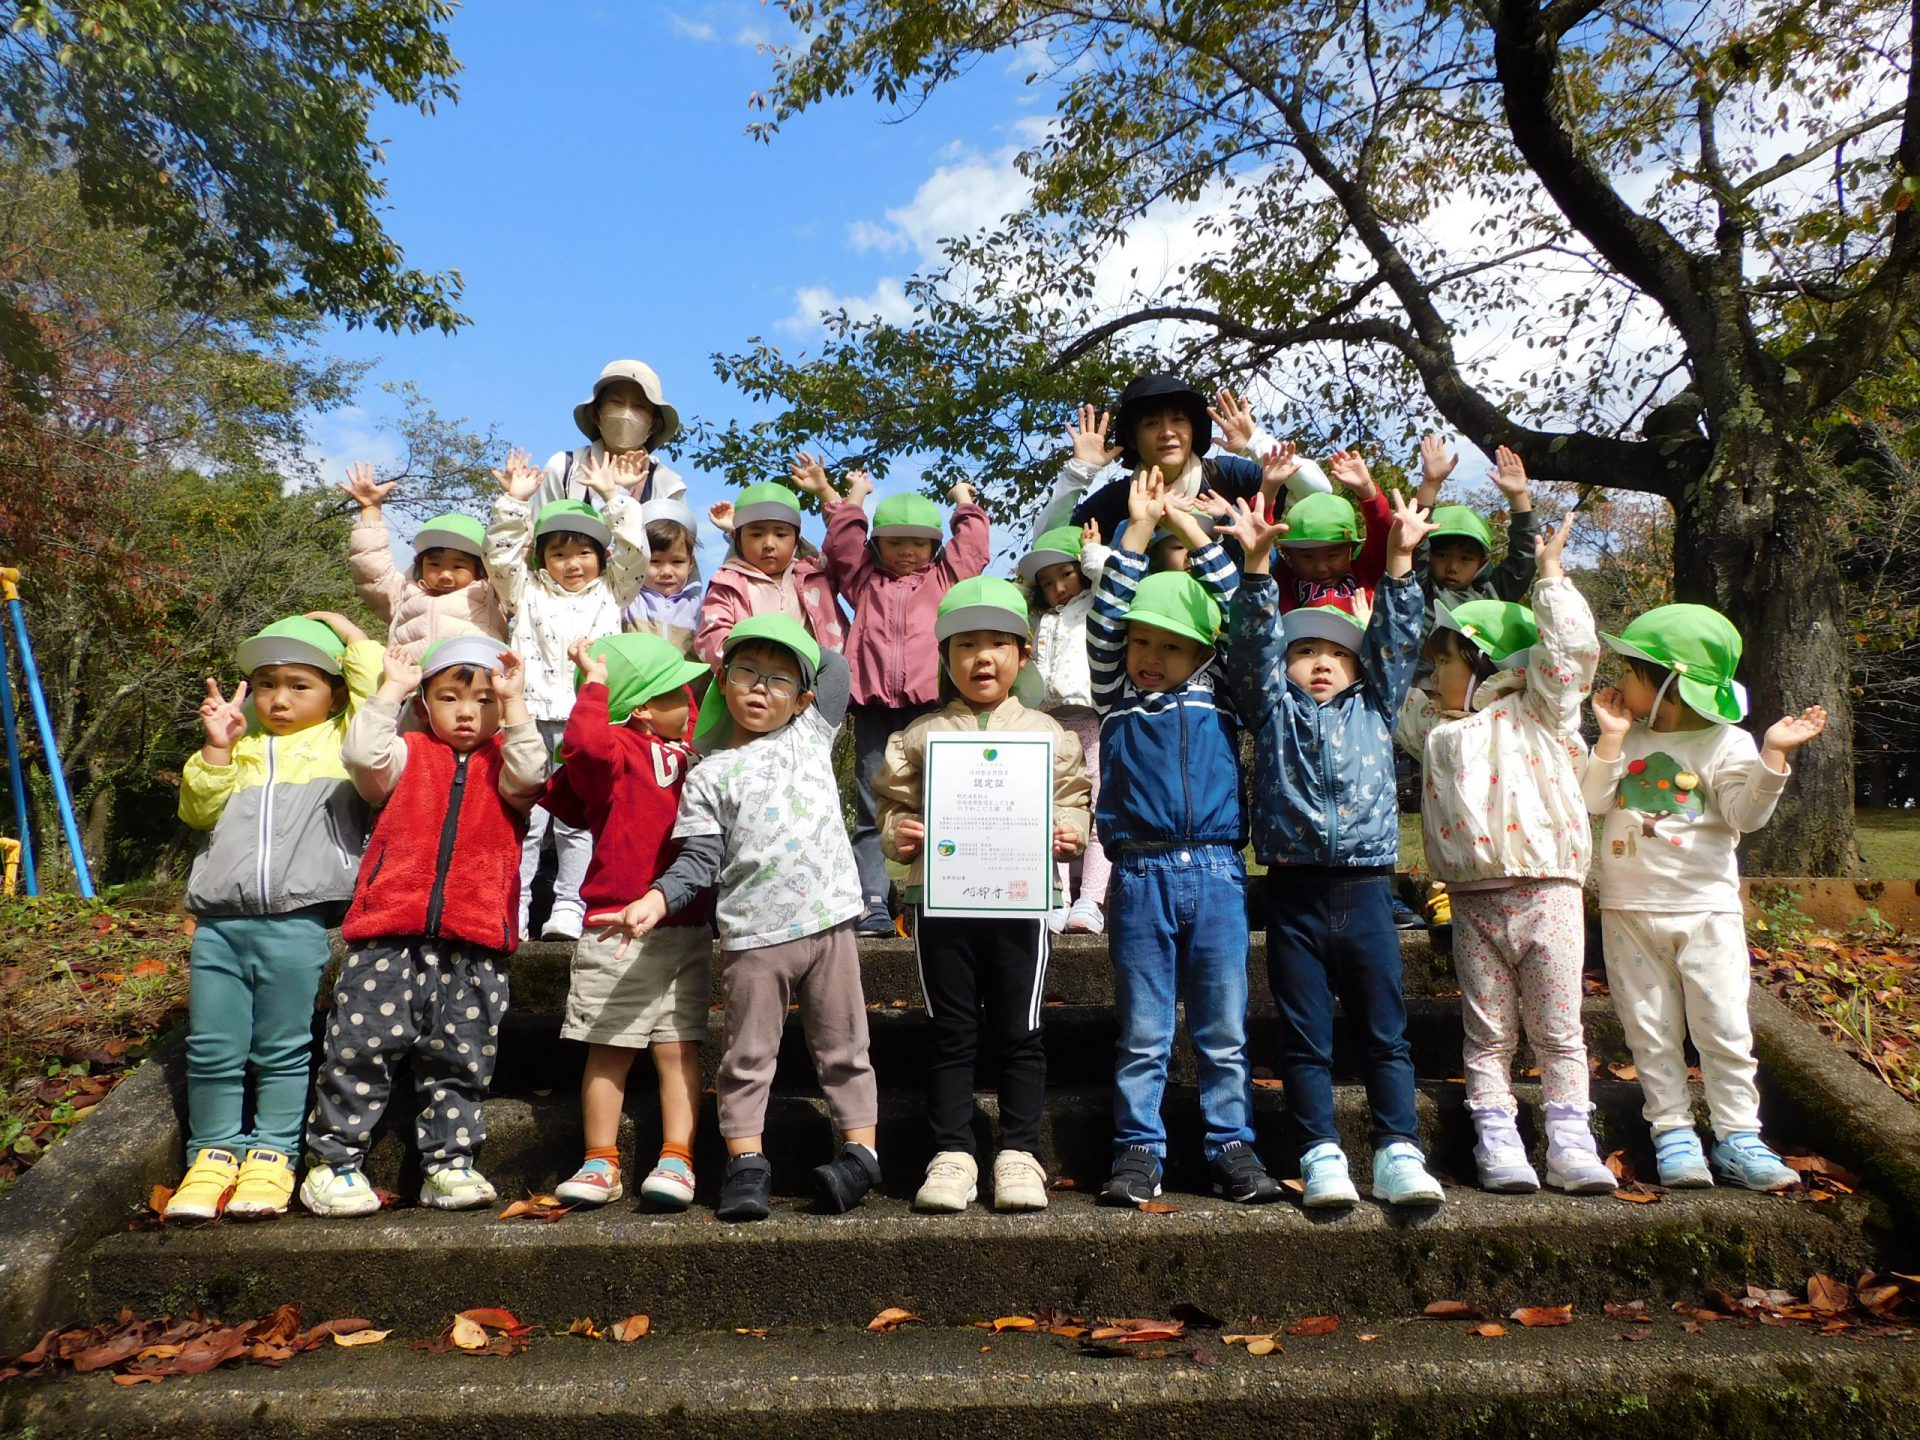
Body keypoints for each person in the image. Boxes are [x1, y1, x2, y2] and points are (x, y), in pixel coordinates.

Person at [604, 616, 879, 1222]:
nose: (761, 687)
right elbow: (698, 861)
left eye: (780, 679)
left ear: (802, 698)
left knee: (845, 1047)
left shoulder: (812, 732)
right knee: (747, 1057)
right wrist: (657, 899)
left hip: (830, 924)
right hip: (753, 936)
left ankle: (861, 1155)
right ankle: (746, 1164)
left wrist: (780, 628)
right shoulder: (708, 773)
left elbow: (836, 665)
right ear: (722, 682)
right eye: (747, 673)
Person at [1223, 485, 1444, 1209]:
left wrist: (1400, 559)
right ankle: (1320, 1152)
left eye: (1337, 651)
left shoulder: (1376, 703)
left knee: (1384, 1031)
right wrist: (1258, 570)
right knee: (1304, 1035)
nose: (1320, 661)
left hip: (1367, 889)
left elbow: (1400, 636)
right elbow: (1251, 646)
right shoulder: (1271, 709)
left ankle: (1399, 1150)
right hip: (1293, 892)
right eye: (1304, 650)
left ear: (1361, 662)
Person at [1394, 515, 1616, 1194]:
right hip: (1473, 899)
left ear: (1488, 663)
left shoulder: (1542, 712)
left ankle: (1570, 1141)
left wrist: (1550, 578)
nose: (1434, 672)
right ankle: (1497, 1136)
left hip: (1548, 891)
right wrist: (1395, 571)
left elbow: (1570, 649)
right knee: (1488, 1032)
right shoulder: (1434, 727)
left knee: (1559, 1029)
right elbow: (1383, 681)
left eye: (1447, 661)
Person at [299, 637, 546, 1216]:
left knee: (461, 1059)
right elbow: (362, 757)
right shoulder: (407, 755)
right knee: (358, 1050)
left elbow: (533, 772)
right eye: (449, 698)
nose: (467, 712)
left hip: (475, 940)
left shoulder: (505, 764)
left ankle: (449, 1165)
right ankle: (333, 1164)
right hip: (388, 933)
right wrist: (391, 690)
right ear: (425, 704)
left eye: (484, 700)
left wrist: (515, 704)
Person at [1584, 604, 1828, 1190]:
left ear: (1670, 682)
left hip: (1706, 910)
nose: (1619, 681)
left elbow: (1746, 814)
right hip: (1629, 908)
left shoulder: (1728, 742)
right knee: (1650, 1028)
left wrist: (1773, 756)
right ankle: (1672, 1133)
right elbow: (1592, 801)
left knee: (1723, 1026)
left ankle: (1739, 1136)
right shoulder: (1626, 736)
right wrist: (1611, 739)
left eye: (1632, 671)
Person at [1086, 475, 1281, 1206]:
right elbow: (1106, 617)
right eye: (1141, 641)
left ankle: (1232, 1145)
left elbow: (1242, 617)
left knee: (1222, 1029)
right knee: (1143, 1031)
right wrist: (1137, 532)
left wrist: (1197, 535)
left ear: (1201, 651)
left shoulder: (1221, 689)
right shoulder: (1118, 696)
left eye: (1170, 645)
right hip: (1140, 875)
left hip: (1220, 874)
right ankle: (1138, 1149)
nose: (1148, 655)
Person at [873, 578, 1090, 1213]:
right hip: (941, 902)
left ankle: (1020, 1152)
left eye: (998, 643)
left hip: (1021, 904)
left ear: (1024, 655)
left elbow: (1071, 797)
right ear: (945, 657)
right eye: (966, 645)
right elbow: (891, 805)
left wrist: (1068, 832)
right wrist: (899, 834)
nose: (982, 658)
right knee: (950, 1029)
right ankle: (952, 1153)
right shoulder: (920, 735)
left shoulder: (1050, 734)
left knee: (1021, 1028)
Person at [166, 613, 382, 1222]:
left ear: (333, 695)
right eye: (266, 684)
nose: (279, 699)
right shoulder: (237, 747)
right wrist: (217, 746)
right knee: (212, 1047)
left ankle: (273, 1154)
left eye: (298, 685)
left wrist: (347, 631)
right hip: (219, 924)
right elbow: (196, 811)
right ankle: (211, 1156)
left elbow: (378, 687)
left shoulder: (343, 741)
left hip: (299, 920)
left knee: (283, 1047)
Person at [545, 633, 714, 1211]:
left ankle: (678, 1158)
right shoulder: (614, 752)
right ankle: (600, 1161)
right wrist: (595, 686)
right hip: (617, 925)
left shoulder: (689, 754)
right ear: (641, 707)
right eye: (677, 692)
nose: (690, 700)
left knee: (679, 1048)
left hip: (686, 925)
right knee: (609, 1047)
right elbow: (584, 747)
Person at [792, 454, 990, 937]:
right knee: (872, 802)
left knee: (941, 802)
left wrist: (964, 503)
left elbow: (972, 549)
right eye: (895, 542)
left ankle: (938, 892)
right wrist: (852, 497)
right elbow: (843, 545)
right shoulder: (865, 581)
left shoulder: (944, 580)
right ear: (877, 546)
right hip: (875, 708)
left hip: (932, 708)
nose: (906, 551)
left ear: (934, 547)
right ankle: (873, 899)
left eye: (918, 543)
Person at [487, 448, 648, 942]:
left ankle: (570, 908)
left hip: (587, 722)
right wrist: (514, 505)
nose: (571, 563)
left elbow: (636, 553)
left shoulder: (613, 591)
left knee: (578, 823)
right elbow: (500, 559)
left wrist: (613, 496)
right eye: (558, 553)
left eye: (583, 552)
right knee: (526, 820)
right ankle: (511, 911)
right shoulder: (525, 592)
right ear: (542, 558)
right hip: (530, 718)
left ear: (601, 557)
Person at [1041, 389, 1329, 557]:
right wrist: (1078, 473)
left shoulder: (1226, 474)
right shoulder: (1119, 499)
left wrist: (1256, 443)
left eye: (1178, 420)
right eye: (1152, 424)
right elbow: (1048, 546)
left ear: (1193, 431)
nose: (1167, 432)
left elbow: (1318, 495)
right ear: (1133, 440)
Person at [1018, 520, 1112, 933]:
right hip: (1049, 723)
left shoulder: (1095, 604)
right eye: (1046, 581)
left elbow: (1114, 580)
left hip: (1092, 719)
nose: (1058, 588)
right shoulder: (1039, 618)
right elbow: (1017, 601)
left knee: (1099, 808)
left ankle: (1091, 898)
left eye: (1066, 574)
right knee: (1049, 808)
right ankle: (1057, 896)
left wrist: (1092, 555)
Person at [340, 463, 507, 662]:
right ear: (421, 565)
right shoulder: (402, 593)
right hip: (411, 679)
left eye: (458, 566)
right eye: (434, 565)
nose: (445, 575)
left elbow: (511, 561)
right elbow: (371, 568)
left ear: (479, 569)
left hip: (471, 680)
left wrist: (516, 500)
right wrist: (370, 509)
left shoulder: (492, 596)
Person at [693, 481, 847, 667]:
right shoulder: (727, 584)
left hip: (819, 679)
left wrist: (826, 492)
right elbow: (712, 640)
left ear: (797, 539)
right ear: (737, 538)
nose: (769, 544)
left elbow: (846, 547)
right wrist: (753, 667)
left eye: (781, 534)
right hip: (756, 680)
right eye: (756, 534)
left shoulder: (816, 574)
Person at [534, 359, 689, 514]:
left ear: (654, 426)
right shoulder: (564, 469)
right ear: (595, 414)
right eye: (616, 401)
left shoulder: (667, 486)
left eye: (639, 406)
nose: (626, 414)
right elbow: (538, 526)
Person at [1409, 438, 1542, 612]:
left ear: (1481, 563)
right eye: (1442, 555)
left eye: (1466, 558)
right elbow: (1414, 537)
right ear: (1429, 556)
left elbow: (1525, 559)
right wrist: (1431, 484)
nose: (1452, 568)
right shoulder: (1419, 589)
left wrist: (1518, 496)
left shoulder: (1491, 596)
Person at [1258, 443, 1391, 612]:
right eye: (1307, 557)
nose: (1321, 568)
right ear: (1289, 555)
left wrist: (1367, 490)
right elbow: (1259, 540)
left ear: (1351, 549)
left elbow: (1384, 536)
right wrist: (1268, 489)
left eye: (1333, 555)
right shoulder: (1283, 581)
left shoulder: (1365, 573)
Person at [623, 497, 705, 656]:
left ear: (691, 564)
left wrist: (732, 533)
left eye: (677, 561)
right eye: (655, 561)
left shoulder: (700, 607)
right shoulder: (628, 601)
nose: (666, 571)